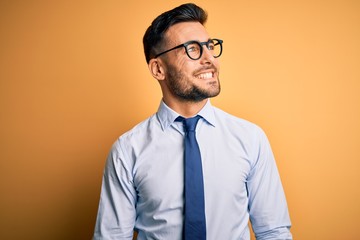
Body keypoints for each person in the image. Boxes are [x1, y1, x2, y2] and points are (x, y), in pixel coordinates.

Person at [93, 3, 292, 240]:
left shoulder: (250, 139)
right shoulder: (127, 150)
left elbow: (273, 232)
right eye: (192, 49)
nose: (210, 59)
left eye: (209, 46)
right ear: (158, 68)